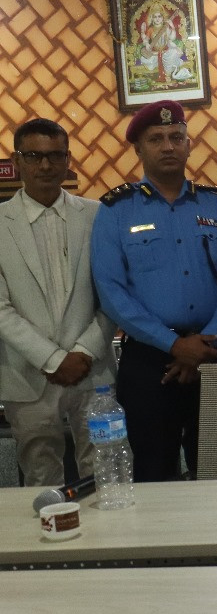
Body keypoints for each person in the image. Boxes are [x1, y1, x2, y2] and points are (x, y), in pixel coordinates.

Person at [90, 100, 217, 481]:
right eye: (156, 138)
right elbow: (111, 291)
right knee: (153, 473)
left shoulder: (215, 204)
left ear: (189, 145)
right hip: (150, 361)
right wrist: (175, 345)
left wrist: (203, 344)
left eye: (176, 137)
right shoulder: (116, 209)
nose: (168, 146)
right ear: (138, 149)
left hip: (215, 354)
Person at [0, 119, 116, 487]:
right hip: (27, 373)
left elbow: (114, 294)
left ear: (68, 159)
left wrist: (84, 351)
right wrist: (52, 359)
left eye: (55, 156)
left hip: (91, 368)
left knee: (104, 472)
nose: (45, 165)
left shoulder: (98, 215)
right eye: (34, 156)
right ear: (17, 161)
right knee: (40, 478)